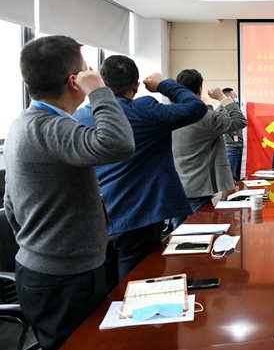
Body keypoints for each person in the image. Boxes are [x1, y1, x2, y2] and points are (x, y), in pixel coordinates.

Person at [3, 36, 135, 350]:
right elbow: (119, 143)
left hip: (53, 269)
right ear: (75, 81)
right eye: (88, 71)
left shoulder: (26, 122)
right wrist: (100, 91)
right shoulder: (52, 128)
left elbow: (11, 204)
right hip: (62, 277)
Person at [74, 55, 207, 292]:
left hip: (97, 220)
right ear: (136, 86)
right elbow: (196, 107)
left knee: (106, 293)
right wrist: (164, 84)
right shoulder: (145, 110)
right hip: (138, 217)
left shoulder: (80, 116)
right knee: (139, 290)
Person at [172, 69, 248, 227]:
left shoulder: (167, 114)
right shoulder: (205, 117)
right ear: (200, 90)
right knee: (199, 233)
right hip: (200, 187)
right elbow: (240, 121)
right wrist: (222, 98)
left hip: (175, 187)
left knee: (177, 234)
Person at [221, 88, 244, 180]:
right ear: (229, 98)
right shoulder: (222, 112)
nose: (236, 98)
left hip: (241, 149)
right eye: (235, 96)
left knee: (240, 178)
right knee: (230, 178)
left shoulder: (238, 110)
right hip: (230, 150)